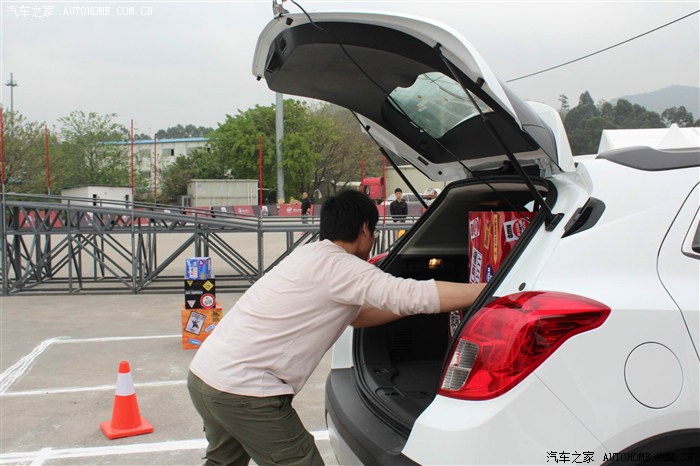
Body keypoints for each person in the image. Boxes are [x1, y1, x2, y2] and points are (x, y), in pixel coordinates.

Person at [187, 189, 485, 466]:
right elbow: (409, 294)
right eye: (373, 231)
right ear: (365, 228)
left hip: (205, 377)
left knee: (223, 462)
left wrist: (408, 309)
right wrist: (488, 290)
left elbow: (357, 316)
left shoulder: (310, 254)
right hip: (244, 392)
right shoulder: (343, 267)